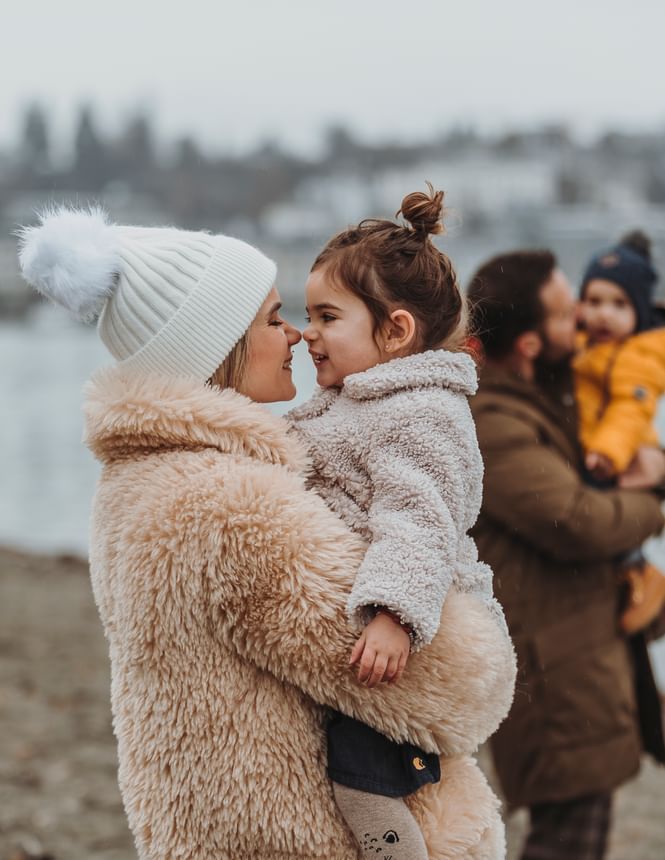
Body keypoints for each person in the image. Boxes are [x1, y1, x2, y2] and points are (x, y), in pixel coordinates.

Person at [18, 207, 516, 860]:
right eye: (275, 318)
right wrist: (488, 652)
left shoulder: (146, 475)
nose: (295, 337)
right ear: (218, 345)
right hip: (281, 832)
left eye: (312, 318)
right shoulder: (227, 503)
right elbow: (440, 685)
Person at [289, 184, 510, 857]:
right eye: (304, 316)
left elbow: (419, 521)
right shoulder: (351, 403)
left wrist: (392, 614)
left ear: (395, 330)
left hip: (405, 634)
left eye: (327, 316)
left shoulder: (420, 413)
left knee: (360, 782)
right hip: (368, 636)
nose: (307, 334)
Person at [467, 249, 665, 860]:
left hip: (580, 666)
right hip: (556, 687)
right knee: (565, 841)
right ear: (529, 343)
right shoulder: (492, 421)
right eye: (565, 312)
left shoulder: (545, 392)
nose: (583, 317)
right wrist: (657, 496)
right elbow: (577, 520)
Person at [575, 230, 665, 633]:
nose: (603, 315)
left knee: (613, 525)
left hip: (619, 453)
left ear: (640, 313)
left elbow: (631, 409)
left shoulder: (637, 355)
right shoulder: (583, 344)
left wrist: (609, 451)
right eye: (594, 302)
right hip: (595, 445)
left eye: (619, 304)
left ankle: (642, 575)